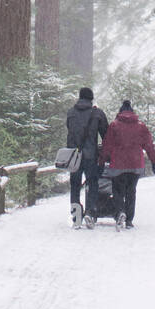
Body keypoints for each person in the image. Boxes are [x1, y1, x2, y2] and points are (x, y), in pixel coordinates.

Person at [98, 99, 155, 230]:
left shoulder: (114, 125)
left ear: (120, 112)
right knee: (131, 191)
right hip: (136, 164)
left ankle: (120, 212)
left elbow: (106, 145)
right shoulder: (140, 126)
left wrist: (102, 162)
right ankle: (129, 220)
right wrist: (154, 162)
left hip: (118, 165)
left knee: (117, 190)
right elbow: (149, 145)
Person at [65, 87, 109, 229]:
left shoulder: (70, 113)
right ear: (91, 98)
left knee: (75, 185)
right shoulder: (97, 114)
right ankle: (90, 212)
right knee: (92, 184)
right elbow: (106, 135)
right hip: (91, 155)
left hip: (74, 156)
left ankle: (76, 216)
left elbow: (70, 130)